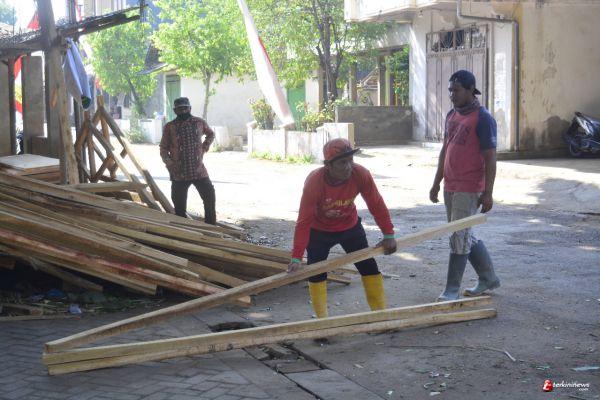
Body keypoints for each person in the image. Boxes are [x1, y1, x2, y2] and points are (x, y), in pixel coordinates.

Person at [288, 138, 397, 318]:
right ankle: (322, 322)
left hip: (349, 227)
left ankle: (380, 316)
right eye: (342, 163)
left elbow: (376, 204)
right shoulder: (315, 181)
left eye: (350, 160)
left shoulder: (360, 174)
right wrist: (297, 257)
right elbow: (304, 220)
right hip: (319, 231)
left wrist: (388, 234)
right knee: (316, 272)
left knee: (368, 267)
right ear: (328, 166)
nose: (348, 167)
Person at [429, 70, 501, 301]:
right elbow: (445, 150)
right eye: (450, 90)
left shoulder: (483, 118)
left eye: (457, 90)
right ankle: (488, 278)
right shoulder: (452, 115)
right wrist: (436, 182)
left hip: (470, 186)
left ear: (471, 90)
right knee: (462, 232)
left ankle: (451, 290)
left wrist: (488, 193)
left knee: (459, 235)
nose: (452, 94)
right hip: (451, 184)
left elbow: (490, 158)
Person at [159, 97, 216, 223]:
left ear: (190, 108)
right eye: (180, 109)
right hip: (179, 173)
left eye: (185, 108)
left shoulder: (199, 122)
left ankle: (211, 226)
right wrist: (170, 164)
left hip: (198, 170)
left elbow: (211, 134)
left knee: (209, 196)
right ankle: (182, 228)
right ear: (175, 111)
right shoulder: (169, 127)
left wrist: (204, 147)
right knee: (179, 206)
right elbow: (163, 148)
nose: (183, 111)